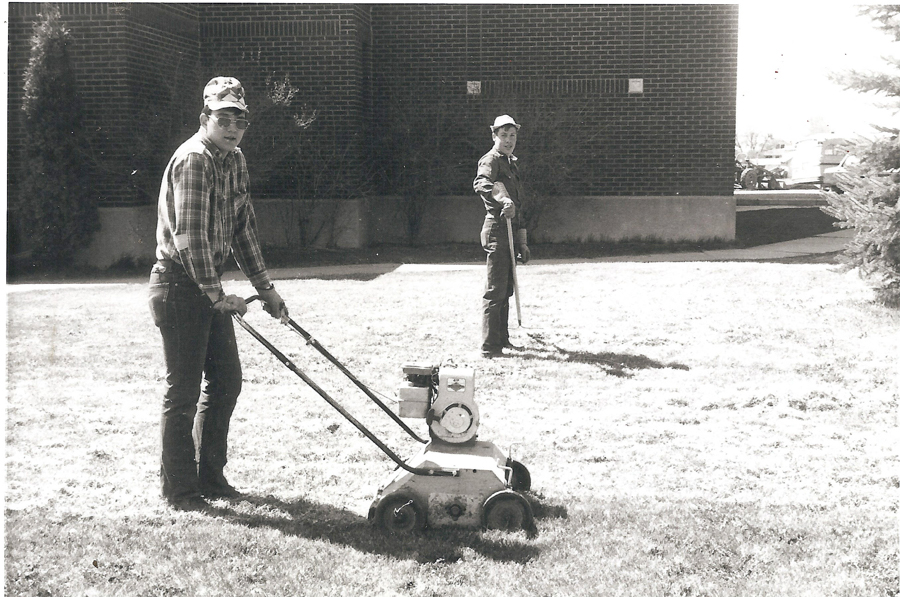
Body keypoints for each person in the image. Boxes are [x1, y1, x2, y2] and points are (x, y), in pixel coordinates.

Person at [148, 76, 288, 511]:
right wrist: (214, 295)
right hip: (178, 284)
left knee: (226, 381)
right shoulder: (194, 160)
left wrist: (266, 289)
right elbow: (188, 236)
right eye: (223, 119)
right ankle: (180, 491)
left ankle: (210, 477)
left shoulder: (234, 160)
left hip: (206, 286)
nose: (232, 128)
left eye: (239, 121)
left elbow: (242, 230)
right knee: (183, 391)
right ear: (204, 118)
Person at [473, 115, 531, 358]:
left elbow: (518, 205)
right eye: (504, 135)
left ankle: (502, 339)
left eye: (512, 135)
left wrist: (523, 241)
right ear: (494, 136)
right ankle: (489, 347)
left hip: (510, 229)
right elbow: (482, 183)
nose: (509, 140)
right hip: (497, 229)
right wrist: (501, 199)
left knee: (507, 288)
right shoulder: (491, 160)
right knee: (495, 290)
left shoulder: (511, 163)